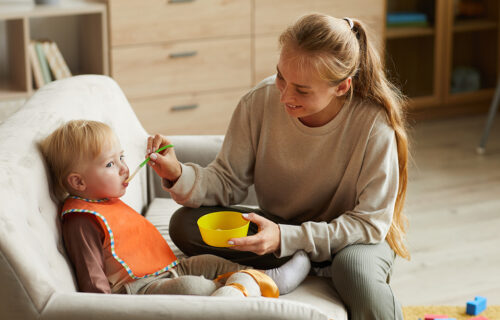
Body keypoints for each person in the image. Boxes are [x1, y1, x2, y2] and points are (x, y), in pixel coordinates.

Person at [146, 13, 410, 320]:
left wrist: (288, 238)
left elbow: (370, 223)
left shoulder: (374, 126)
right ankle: (298, 262)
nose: (284, 95)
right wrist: (178, 174)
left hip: (349, 239)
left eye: (302, 90)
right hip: (278, 226)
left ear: (341, 87)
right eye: (281, 76)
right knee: (185, 224)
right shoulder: (259, 101)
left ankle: (298, 261)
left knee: (354, 271)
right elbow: (227, 179)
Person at [39, 119, 311, 297]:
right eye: (110, 164)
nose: (124, 167)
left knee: (210, 263)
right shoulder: (81, 220)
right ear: (78, 182)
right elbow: (92, 281)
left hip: (170, 268)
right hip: (139, 289)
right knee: (192, 287)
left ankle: (261, 278)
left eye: (122, 157)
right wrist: (108, 310)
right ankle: (250, 288)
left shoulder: (107, 202)